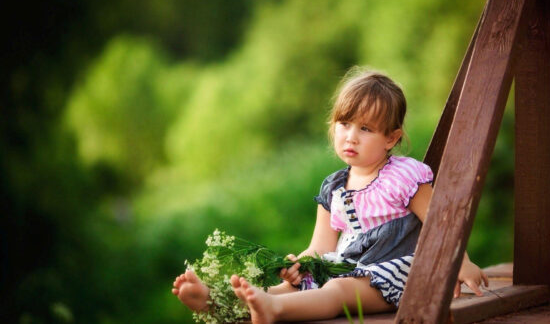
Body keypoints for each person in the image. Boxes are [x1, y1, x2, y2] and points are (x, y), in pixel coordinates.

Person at [172, 67, 489, 323]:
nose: (351, 136)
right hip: (346, 267)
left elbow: (441, 222)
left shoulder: (404, 176)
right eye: (345, 123)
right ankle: (219, 303)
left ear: (391, 138)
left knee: (338, 290)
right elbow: (321, 247)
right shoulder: (334, 187)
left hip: (398, 274)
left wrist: (460, 261)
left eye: (365, 129)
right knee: (291, 285)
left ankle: (273, 311)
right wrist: (299, 264)